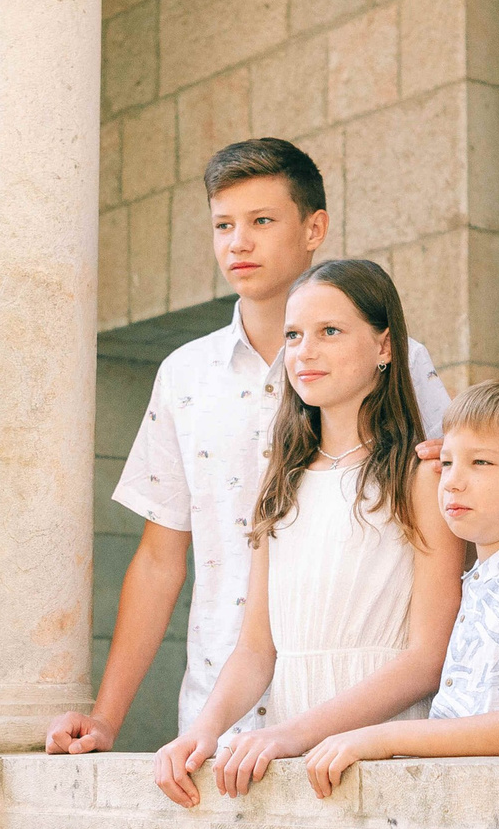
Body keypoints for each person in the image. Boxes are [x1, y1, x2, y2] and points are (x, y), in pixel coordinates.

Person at [44, 140, 449, 755]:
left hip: (364, 715)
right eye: (223, 225)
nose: (239, 243)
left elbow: (454, 528)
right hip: (220, 712)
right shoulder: (183, 375)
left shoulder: (400, 362)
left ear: (314, 228)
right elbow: (159, 559)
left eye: (261, 221)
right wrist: (107, 717)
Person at [150, 260, 465, 807]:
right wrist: (203, 730)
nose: (304, 352)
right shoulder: (280, 487)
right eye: (294, 336)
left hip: (384, 756)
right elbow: (254, 650)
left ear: (386, 347)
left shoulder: (421, 480)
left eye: (330, 332)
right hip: (294, 761)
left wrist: (295, 735)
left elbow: (427, 658)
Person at [302, 375, 499, 795]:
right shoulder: (480, 579)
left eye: (481, 463)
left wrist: (383, 737)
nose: (453, 481)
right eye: (448, 463)